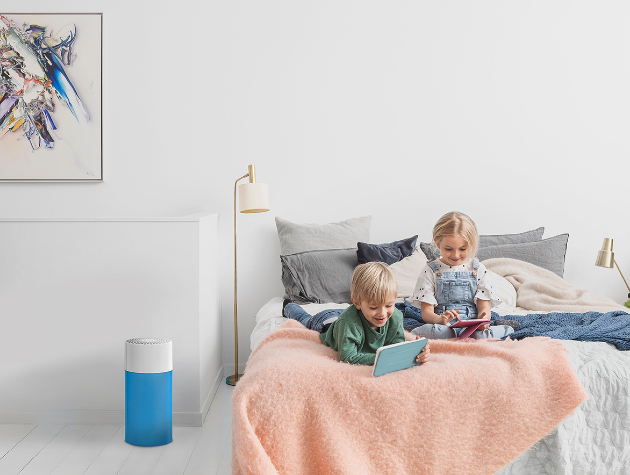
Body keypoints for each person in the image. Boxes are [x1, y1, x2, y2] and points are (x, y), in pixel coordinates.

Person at [283, 262, 431, 365]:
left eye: (389, 305)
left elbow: (395, 348)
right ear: (357, 303)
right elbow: (348, 357)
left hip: (357, 315)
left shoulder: (396, 316)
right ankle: (289, 306)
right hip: (326, 322)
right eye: (374, 307)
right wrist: (382, 359)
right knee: (305, 320)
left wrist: (415, 352)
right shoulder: (348, 324)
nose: (382, 313)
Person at [410, 211, 515, 340]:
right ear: (438, 243)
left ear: (471, 245)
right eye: (448, 249)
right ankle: (410, 334)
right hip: (443, 327)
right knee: (442, 333)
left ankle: (505, 328)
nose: (455, 255)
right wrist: (439, 320)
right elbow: (426, 313)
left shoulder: (478, 269)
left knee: (480, 336)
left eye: (462, 249)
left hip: (471, 327)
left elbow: (484, 308)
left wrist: (484, 320)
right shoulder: (430, 270)